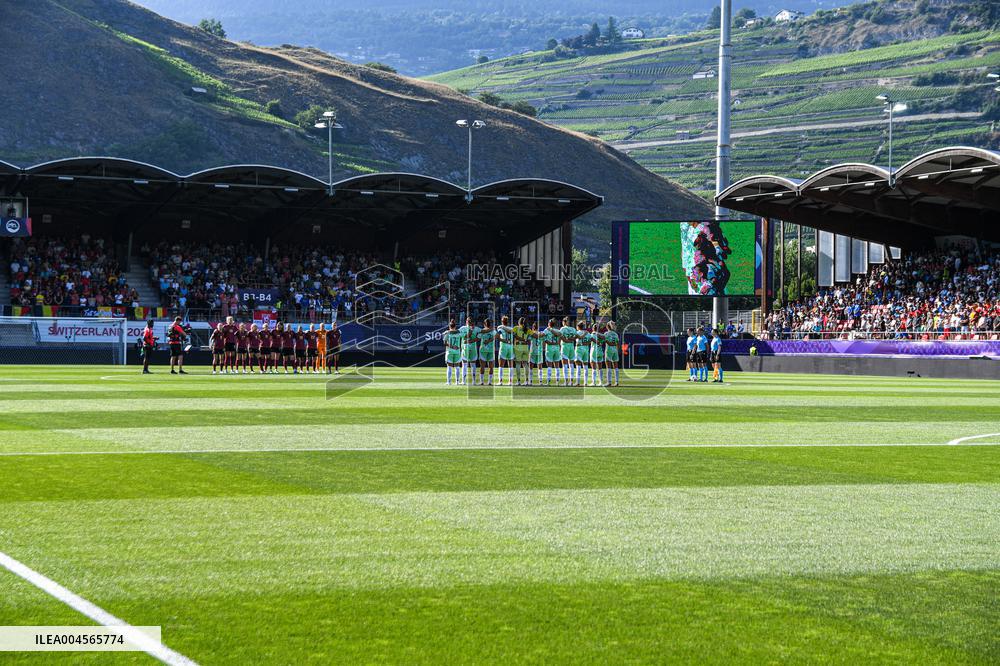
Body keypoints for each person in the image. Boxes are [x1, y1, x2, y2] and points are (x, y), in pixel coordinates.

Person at [459, 316, 480, 385]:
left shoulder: (463, 328)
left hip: (465, 348)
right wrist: (472, 340)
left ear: (466, 322)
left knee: (464, 364)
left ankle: (463, 381)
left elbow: (460, 335)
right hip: (473, 348)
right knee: (473, 365)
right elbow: (479, 337)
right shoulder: (476, 328)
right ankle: (474, 381)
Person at [542, 318, 563, 386]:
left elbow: (544, 340)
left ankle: (548, 382)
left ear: (549, 324)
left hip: (549, 349)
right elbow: (560, 335)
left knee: (549, 366)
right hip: (557, 348)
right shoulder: (557, 330)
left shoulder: (546, 330)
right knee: (557, 366)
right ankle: (557, 382)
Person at [496, 315, 515, 386]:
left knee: (501, 365)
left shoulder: (500, 328)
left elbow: (497, 336)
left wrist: (504, 340)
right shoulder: (511, 328)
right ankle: (510, 381)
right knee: (511, 365)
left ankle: (500, 381)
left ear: (502, 321)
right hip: (510, 347)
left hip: (504, 347)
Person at [444, 319, 463, 385]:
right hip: (457, 351)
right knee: (457, 367)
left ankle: (449, 382)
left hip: (449, 351)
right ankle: (457, 382)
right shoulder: (459, 333)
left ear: (449, 326)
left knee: (449, 367)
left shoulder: (447, 333)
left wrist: (451, 346)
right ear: (455, 326)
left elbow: (445, 342)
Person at [512, 317, 529, 386]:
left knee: (518, 364)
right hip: (525, 347)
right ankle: (527, 381)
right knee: (525, 364)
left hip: (518, 347)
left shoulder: (516, 328)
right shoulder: (527, 329)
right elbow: (533, 335)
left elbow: (512, 334)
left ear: (519, 322)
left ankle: (518, 381)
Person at [560, 316, 576, 386]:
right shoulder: (573, 329)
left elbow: (560, 337)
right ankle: (571, 381)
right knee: (571, 365)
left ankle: (566, 381)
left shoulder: (562, 329)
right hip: (572, 347)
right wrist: (571, 339)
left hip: (565, 347)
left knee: (565, 365)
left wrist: (567, 339)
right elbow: (576, 337)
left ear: (564, 322)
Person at [604, 321, 620, 387]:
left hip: (609, 350)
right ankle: (616, 382)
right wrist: (617, 350)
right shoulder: (615, 334)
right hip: (615, 350)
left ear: (607, 326)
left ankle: (609, 382)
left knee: (608, 367)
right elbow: (618, 344)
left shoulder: (606, 333)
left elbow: (605, 341)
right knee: (616, 367)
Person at [574, 321, 590, 387]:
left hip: (579, 349)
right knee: (585, 367)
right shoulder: (588, 333)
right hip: (586, 349)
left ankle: (578, 382)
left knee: (578, 366)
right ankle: (585, 382)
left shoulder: (577, 332)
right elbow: (590, 341)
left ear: (578, 327)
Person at [527, 320, 543, 385]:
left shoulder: (531, 333)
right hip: (539, 351)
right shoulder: (541, 334)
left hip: (533, 351)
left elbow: (528, 341)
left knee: (531, 367)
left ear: (533, 327)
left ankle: (530, 381)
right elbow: (544, 342)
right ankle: (540, 382)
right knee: (540, 367)